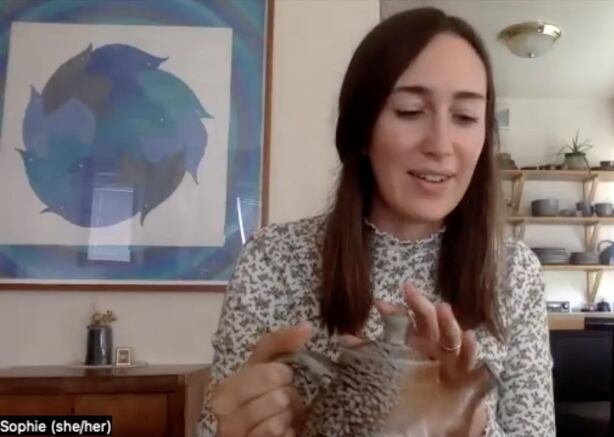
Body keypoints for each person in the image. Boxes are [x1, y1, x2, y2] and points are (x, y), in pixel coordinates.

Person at [197, 7, 555, 437]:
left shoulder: (513, 273)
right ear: (362, 130)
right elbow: (212, 424)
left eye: (465, 117)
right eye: (409, 111)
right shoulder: (273, 260)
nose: (441, 145)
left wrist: (469, 425)